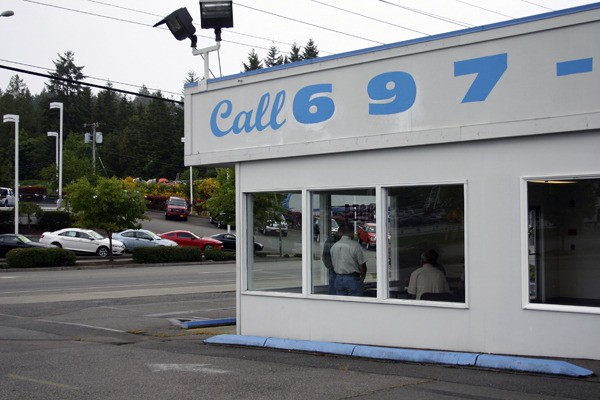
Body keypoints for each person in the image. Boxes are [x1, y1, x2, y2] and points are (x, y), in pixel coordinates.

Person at [330, 223, 367, 296]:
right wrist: (362, 279)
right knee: (355, 304)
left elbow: (332, 263)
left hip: (338, 278)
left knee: (342, 305)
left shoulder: (334, 246)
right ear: (352, 233)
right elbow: (362, 266)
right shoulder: (355, 245)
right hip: (352, 278)